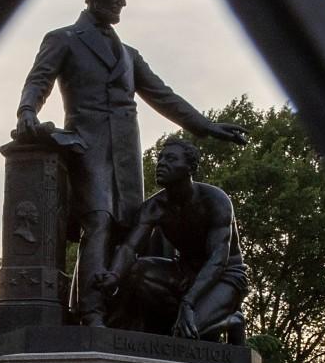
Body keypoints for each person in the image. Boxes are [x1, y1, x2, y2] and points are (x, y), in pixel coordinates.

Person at [14, 0, 249, 325]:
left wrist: (204, 126)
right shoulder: (64, 39)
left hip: (126, 152)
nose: (121, 2)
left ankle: (119, 312)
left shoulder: (129, 55)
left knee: (127, 228)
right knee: (99, 221)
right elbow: (39, 78)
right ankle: (91, 313)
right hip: (87, 144)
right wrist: (27, 110)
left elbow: (162, 95)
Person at [100, 138, 249, 342]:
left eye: (171, 159)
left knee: (186, 334)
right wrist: (114, 277)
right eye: (160, 158)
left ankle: (232, 318)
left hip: (224, 277)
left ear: (190, 168)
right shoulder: (155, 207)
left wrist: (189, 301)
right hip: (183, 273)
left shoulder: (215, 201)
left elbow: (218, 260)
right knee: (135, 271)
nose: (161, 163)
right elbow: (129, 248)